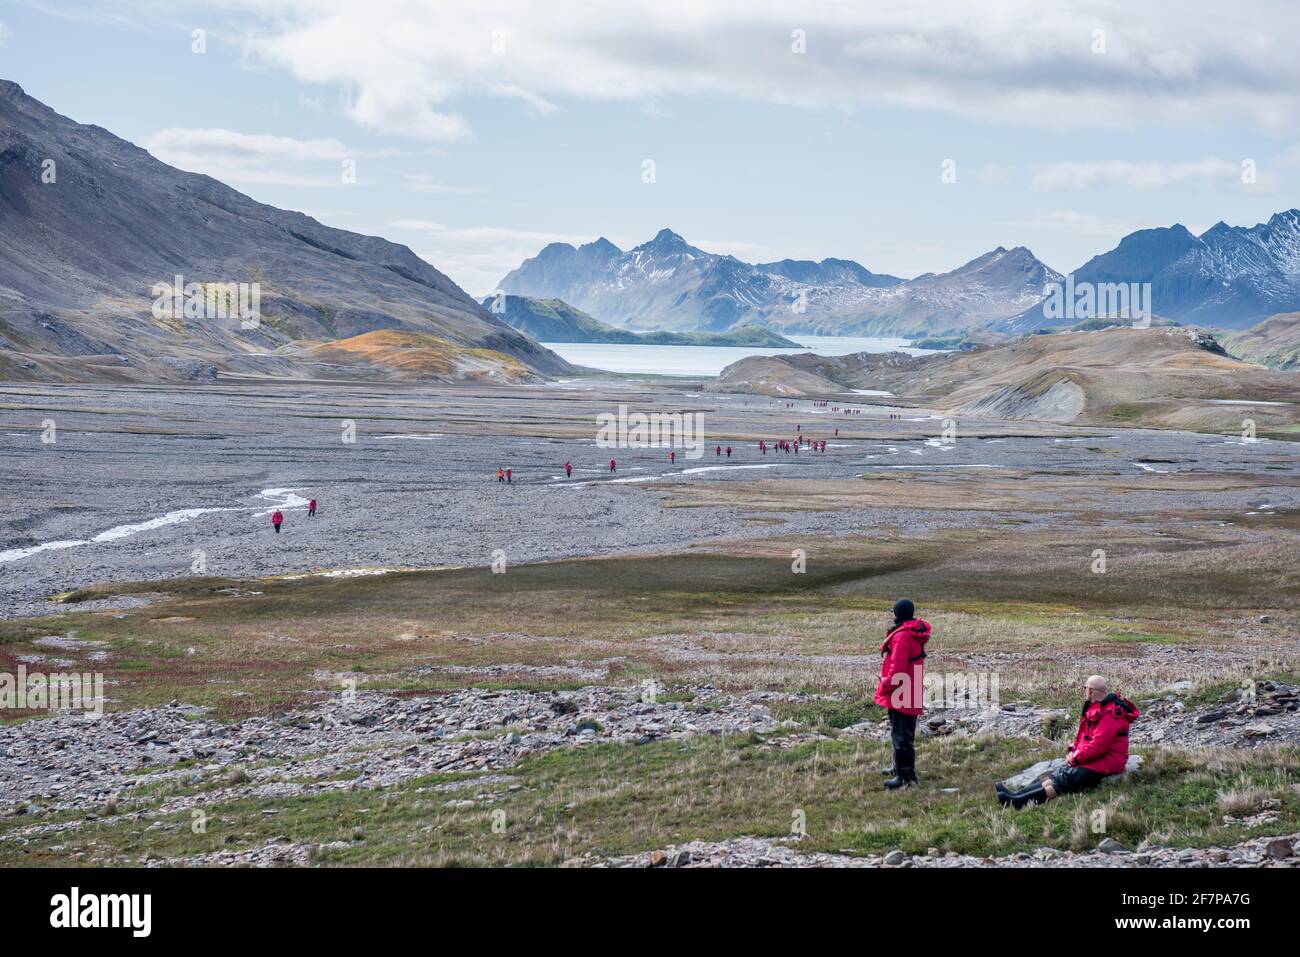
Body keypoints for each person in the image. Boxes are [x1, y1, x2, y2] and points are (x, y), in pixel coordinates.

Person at [997, 676, 1140, 809]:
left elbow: (1099, 746)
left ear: (1090, 691)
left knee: (1067, 778)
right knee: (1058, 773)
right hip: (1096, 759)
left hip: (1108, 763)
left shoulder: (1112, 713)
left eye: (1085, 688)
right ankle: (1015, 795)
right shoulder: (1097, 708)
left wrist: (1076, 758)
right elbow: (1082, 737)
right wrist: (1072, 751)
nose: (1084, 691)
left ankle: (1019, 803)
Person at [874, 598, 931, 789]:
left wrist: (885, 684)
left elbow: (897, 669)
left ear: (898, 614)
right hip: (909, 688)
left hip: (901, 691)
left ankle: (905, 777)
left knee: (901, 735)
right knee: (902, 732)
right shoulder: (912, 632)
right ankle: (900, 769)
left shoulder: (902, 636)